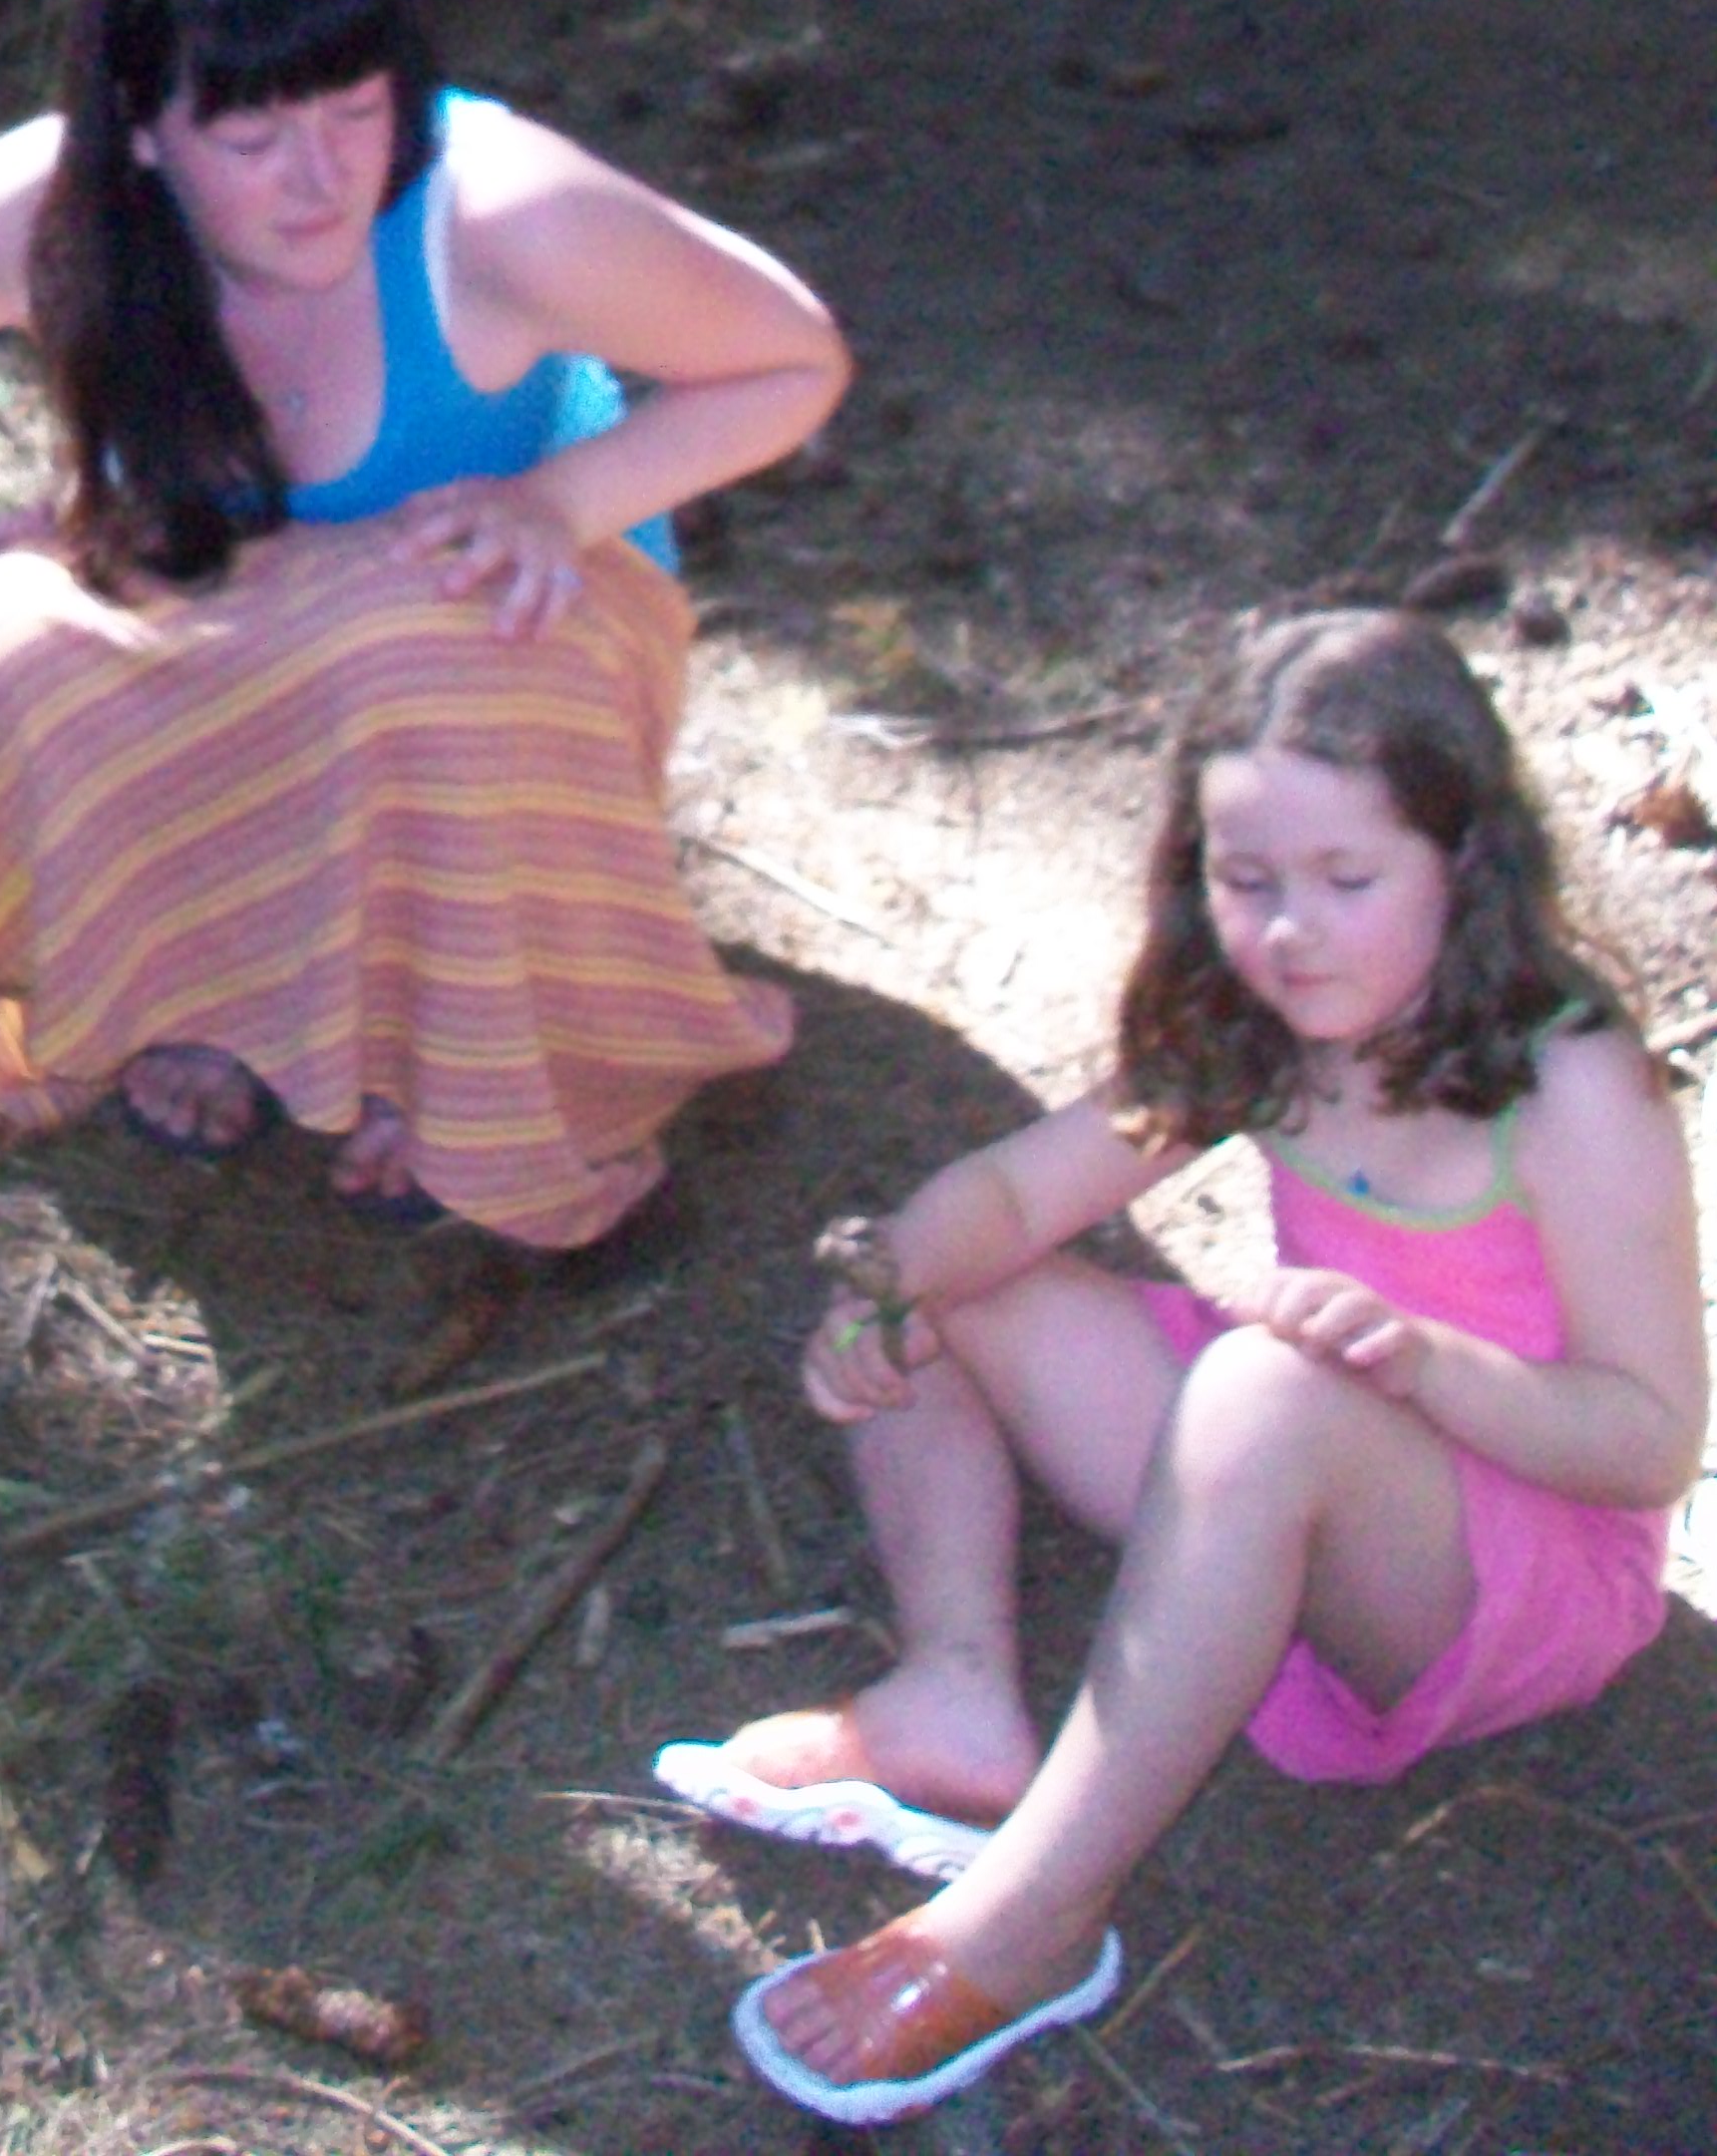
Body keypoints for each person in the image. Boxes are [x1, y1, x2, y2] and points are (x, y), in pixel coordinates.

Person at [0, 0, 852, 1249]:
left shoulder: (498, 209)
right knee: (3, 642)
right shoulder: (65, 213)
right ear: (138, 129)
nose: (320, 179)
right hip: (228, 617)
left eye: (357, 109)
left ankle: (481, 1059)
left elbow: (795, 355)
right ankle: (202, 993)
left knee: (417, 647)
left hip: (500, 657)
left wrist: (562, 501)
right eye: (250, 141)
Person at [654, 609, 1705, 2124]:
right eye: (1244, 880)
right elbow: (1015, 1193)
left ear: (1463, 860)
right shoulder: (1263, 1025)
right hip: (1308, 1433)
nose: (1289, 932)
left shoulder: (1568, 1081)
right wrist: (886, 1284)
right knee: (946, 1277)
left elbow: (1649, 1441)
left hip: (1516, 1554)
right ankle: (955, 1691)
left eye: (1346, 880)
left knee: (1262, 1389)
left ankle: (1035, 1918)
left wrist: (1424, 1365)